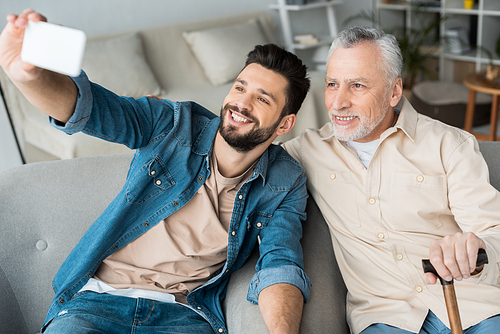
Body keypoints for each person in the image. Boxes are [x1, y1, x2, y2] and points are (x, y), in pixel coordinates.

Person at [0, 9, 312, 334]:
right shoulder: (173, 125)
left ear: (285, 124)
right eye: (239, 88)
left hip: (183, 315)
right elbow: (92, 109)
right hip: (95, 303)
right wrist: (30, 76)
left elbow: (280, 261)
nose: (241, 104)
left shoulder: (284, 181)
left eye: (262, 99)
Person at [283, 26, 500, 333]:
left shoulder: (450, 144)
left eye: (357, 85)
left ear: (394, 91)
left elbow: (494, 230)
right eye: (332, 84)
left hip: (475, 309)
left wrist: (474, 248)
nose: (338, 102)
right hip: (385, 319)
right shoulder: (306, 151)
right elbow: (243, 162)